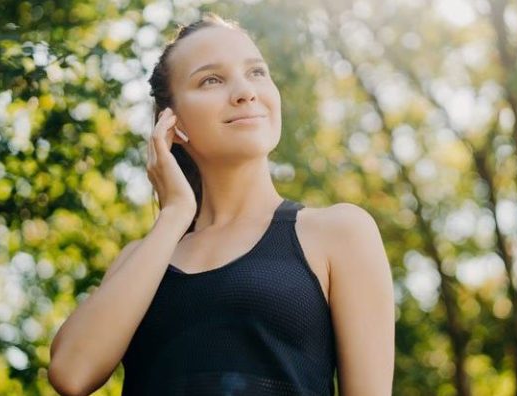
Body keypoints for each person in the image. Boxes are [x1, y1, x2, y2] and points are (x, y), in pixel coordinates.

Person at [47, 13, 394, 396]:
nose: (245, 91)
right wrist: (174, 215)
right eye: (211, 79)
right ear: (172, 122)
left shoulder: (340, 232)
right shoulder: (139, 258)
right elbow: (71, 374)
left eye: (256, 72)